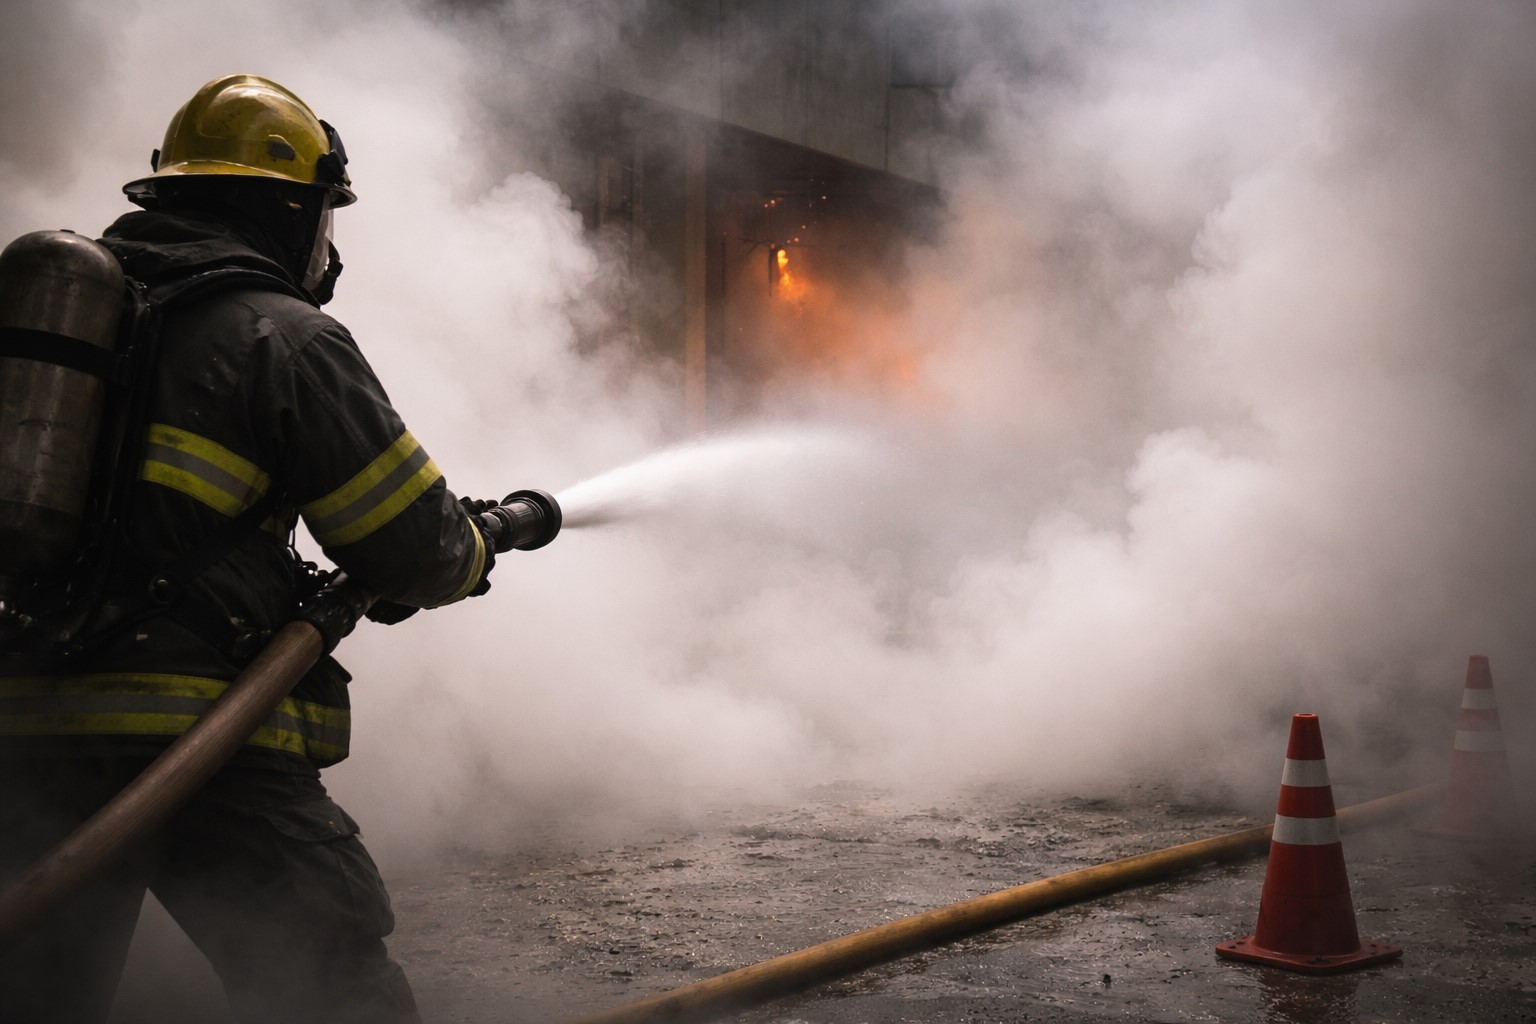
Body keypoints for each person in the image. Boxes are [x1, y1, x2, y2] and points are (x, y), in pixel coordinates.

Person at [0, 74, 492, 1023]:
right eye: (323, 216)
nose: (327, 246)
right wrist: (474, 547)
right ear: (288, 208)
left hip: (23, 727)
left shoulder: (67, 324)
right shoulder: (284, 338)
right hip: (200, 734)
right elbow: (417, 547)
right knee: (330, 984)